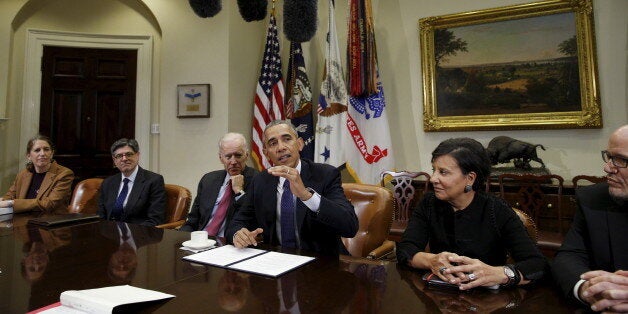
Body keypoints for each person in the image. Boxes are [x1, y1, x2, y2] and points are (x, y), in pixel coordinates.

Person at [396, 138, 547, 290]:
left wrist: (499, 273)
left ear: (470, 178)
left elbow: (536, 264)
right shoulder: (429, 203)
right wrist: (431, 260)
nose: (433, 178)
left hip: (488, 301)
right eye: (433, 170)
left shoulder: (497, 209)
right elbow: (405, 249)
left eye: (443, 172)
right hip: (440, 298)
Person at [226, 120, 358, 256]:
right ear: (266, 152)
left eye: (287, 139)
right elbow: (237, 221)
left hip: (321, 264)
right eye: (273, 143)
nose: (281, 147)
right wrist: (238, 234)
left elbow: (350, 226)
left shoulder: (325, 175)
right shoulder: (261, 180)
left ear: (300, 144)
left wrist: (307, 196)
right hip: (277, 262)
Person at [552, 124, 628, 312]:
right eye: (610, 157)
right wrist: (588, 289)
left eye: (621, 160)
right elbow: (569, 257)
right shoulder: (593, 199)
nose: (608, 168)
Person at [180, 133, 258, 236]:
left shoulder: (257, 180)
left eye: (238, 155)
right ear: (221, 158)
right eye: (228, 156)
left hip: (230, 244)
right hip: (200, 240)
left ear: (246, 156)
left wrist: (239, 192)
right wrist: (180, 238)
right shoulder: (208, 179)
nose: (233, 161)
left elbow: (253, 219)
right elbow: (193, 220)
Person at [97, 138, 166, 226]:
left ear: (137, 155)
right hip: (110, 234)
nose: (124, 159)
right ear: (114, 160)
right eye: (119, 156)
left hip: (138, 234)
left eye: (129, 154)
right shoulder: (108, 182)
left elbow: (155, 219)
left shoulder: (153, 181)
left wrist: (130, 236)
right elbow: (100, 215)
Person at [1, 135, 74, 213]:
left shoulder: (64, 174)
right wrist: (6, 201)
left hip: (49, 221)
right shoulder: (23, 174)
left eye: (46, 149)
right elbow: (8, 197)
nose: (42, 153)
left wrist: (12, 203)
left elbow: (49, 204)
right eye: (37, 150)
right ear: (29, 156)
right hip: (21, 219)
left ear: (52, 153)